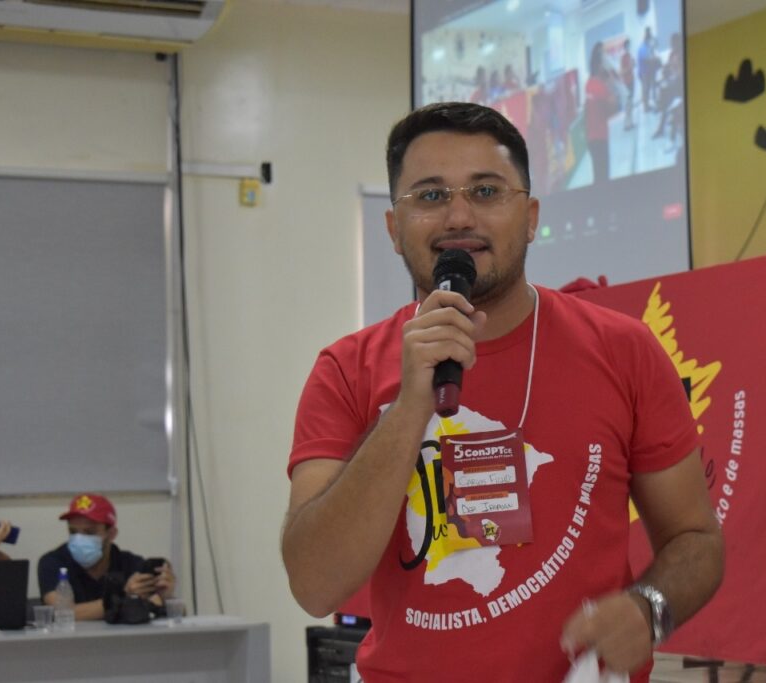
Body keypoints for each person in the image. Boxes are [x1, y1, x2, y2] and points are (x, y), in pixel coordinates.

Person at [281, 101, 723, 682]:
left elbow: (696, 539)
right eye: (430, 195)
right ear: (393, 229)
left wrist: (650, 607)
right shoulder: (346, 369)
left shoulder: (624, 350)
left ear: (531, 216)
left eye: (486, 191)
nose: (458, 216)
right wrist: (410, 406)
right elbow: (315, 585)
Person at [38, 493, 176, 621]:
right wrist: (125, 598)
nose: (79, 539)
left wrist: (166, 599)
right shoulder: (53, 563)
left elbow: (168, 612)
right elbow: (63, 613)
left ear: (111, 534)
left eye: (89, 532)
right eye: (73, 531)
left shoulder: (131, 564)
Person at [585, 41, 619, 184]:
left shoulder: (590, 84)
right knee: (602, 177)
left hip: (595, 137)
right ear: (600, 64)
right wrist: (611, 82)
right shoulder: (597, 85)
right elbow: (613, 105)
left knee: (600, 176)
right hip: (598, 138)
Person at [620, 38, 636, 130]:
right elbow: (622, 71)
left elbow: (633, 66)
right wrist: (629, 67)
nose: (629, 47)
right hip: (627, 82)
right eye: (628, 45)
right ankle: (627, 124)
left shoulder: (630, 56)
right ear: (625, 47)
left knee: (631, 104)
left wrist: (633, 64)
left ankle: (631, 122)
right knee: (628, 104)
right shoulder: (623, 58)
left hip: (632, 81)